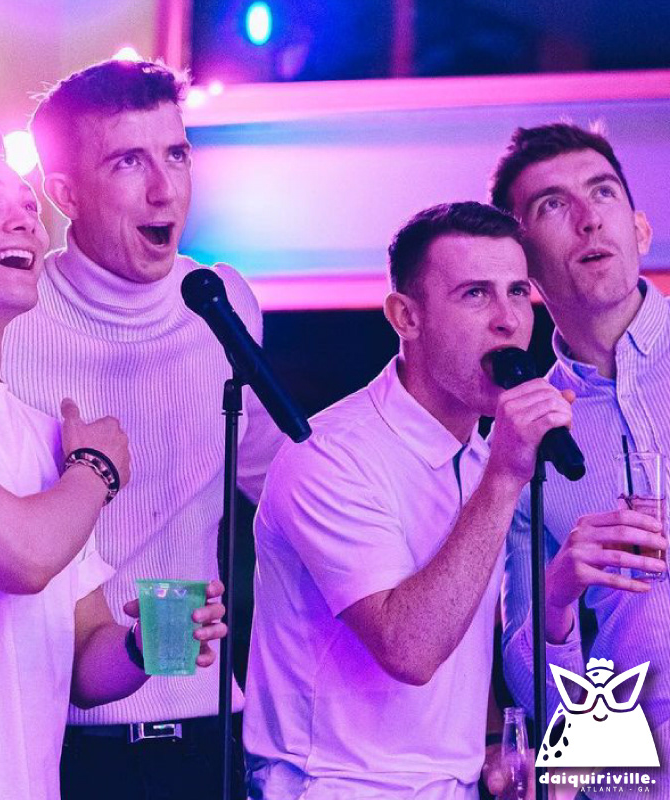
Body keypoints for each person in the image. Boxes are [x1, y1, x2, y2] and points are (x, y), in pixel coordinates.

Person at [0, 120, 226, 800]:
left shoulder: (44, 436)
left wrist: (147, 644)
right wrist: (96, 470)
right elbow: (23, 556)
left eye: (29, 207)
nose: (26, 223)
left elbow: (86, 663)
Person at [1, 59, 283, 799]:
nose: (165, 190)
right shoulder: (13, 321)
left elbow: (278, 480)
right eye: (129, 161)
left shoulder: (224, 302)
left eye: (177, 154)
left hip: (207, 724)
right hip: (57, 735)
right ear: (64, 193)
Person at [243, 201, 572, 799]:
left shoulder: (483, 455)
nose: (508, 321)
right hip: (339, 786)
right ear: (406, 317)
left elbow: (458, 643)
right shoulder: (331, 456)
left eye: (519, 292)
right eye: (476, 294)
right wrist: (505, 477)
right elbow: (410, 649)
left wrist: (491, 744)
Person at [490, 122, 670, 770]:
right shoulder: (526, 435)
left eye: (603, 193)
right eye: (552, 206)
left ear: (640, 229)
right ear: (525, 268)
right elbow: (532, 690)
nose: (588, 219)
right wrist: (557, 592)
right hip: (641, 776)